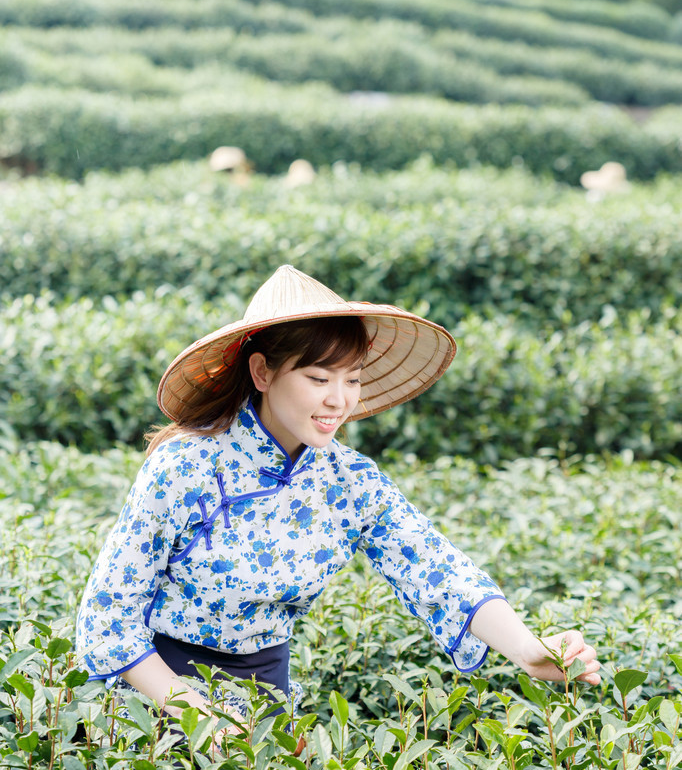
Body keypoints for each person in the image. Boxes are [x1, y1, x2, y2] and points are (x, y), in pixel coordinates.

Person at [75, 265, 600, 739]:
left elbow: (437, 569)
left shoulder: (350, 482)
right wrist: (198, 714)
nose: (339, 400)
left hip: (265, 697)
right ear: (262, 373)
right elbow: (108, 615)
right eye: (318, 378)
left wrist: (530, 650)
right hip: (158, 690)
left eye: (352, 380)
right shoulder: (186, 465)